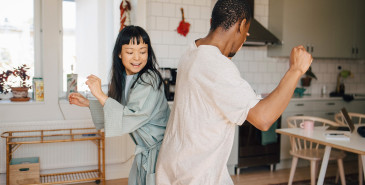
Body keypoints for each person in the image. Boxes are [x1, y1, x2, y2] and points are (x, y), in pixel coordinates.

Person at [155, 0, 313, 184]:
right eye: (246, 31)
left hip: (178, 168)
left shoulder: (192, 52)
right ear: (241, 24)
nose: (245, 37)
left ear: (211, 21)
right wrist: (296, 70)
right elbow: (263, 119)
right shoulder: (216, 66)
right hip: (196, 176)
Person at [68, 25, 170, 185]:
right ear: (119, 54)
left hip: (159, 152)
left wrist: (100, 95)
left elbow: (131, 115)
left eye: (143, 51)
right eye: (130, 52)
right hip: (146, 152)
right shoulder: (124, 78)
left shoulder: (149, 79)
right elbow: (117, 109)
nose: (137, 58)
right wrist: (88, 103)